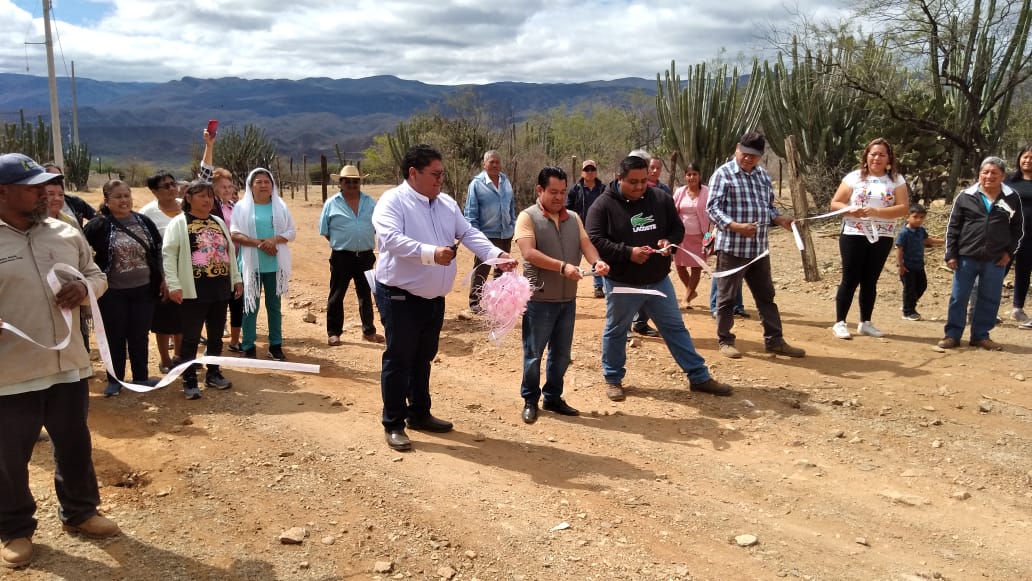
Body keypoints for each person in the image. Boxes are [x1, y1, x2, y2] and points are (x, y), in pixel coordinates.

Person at [0, 153, 119, 570]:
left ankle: (81, 512)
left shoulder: (64, 232)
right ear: (3, 192)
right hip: (10, 374)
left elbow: (97, 273)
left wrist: (85, 289)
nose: (45, 193)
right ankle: (14, 529)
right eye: (32, 187)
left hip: (68, 365)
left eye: (45, 186)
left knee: (74, 443)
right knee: (9, 456)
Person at [372, 144, 515, 451]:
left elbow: (468, 233)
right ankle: (394, 423)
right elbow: (391, 240)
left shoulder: (446, 203)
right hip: (399, 294)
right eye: (435, 174)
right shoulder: (392, 202)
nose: (440, 180)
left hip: (433, 298)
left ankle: (419, 413)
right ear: (414, 173)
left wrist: (495, 255)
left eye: (442, 175)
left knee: (423, 357)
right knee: (399, 358)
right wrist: (430, 254)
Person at [586, 155, 731, 401]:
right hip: (622, 283)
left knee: (675, 328)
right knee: (617, 330)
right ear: (619, 178)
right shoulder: (603, 206)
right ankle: (613, 379)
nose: (639, 186)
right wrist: (627, 253)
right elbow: (595, 239)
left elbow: (677, 228)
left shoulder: (660, 198)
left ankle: (698, 376)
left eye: (643, 181)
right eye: (633, 182)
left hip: (658, 280)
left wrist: (670, 243)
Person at [516, 166, 610, 424]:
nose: (559, 197)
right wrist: (562, 266)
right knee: (534, 353)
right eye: (553, 192)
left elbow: (586, 245)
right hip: (539, 301)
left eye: (563, 192)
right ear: (540, 190)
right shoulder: (528, 217)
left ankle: (553, 397)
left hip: (568, 301)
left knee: (561, 354)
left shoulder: (574, 218)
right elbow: (529, 253)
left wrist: (596, 263)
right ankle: (529, 399)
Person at [706, 132, 806, 359]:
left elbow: (768, 208)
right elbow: (712, 209)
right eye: (746, 154)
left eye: (754, 156)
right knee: (726, 297)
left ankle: (775, 340)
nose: (749, 159)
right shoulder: (723, 174)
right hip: (732, 248)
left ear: (760, 157)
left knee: (766, 296)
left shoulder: (762, 176)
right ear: (737, 149)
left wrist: (780, 220)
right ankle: (725, 340)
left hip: (759, 249)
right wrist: (736, 226)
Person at [82, 180, 163, 396]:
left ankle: (140, 378)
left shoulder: (144, 222)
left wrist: (162, 278)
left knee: (139, 335)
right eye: (118, 197)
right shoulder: (97, 226)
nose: (124, 200)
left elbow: (157, 251)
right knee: (114, 336)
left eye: (126, 195)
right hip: (112, 293)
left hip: (144, 290)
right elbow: (82, 254)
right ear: (107, 201)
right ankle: (115, 380)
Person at [164, 180, 242, 399]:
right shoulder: (179, 223)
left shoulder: (217, 221)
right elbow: (169, 255)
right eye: (201, 196)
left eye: (210, 196)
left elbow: (229, 254)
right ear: (189, 198)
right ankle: (189, 379)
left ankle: (213, 373)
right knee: (190, 338)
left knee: (216, 336)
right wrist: (174, 284)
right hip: (193, 290)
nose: (208, 200)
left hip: (219, 289)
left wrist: (236, 279)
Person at [937, 157, 1023, 351]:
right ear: (979, 174)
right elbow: (953, 227)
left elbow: (1017, 229)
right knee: (959, 297)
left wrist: (1009, 253)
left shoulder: (1011, 197)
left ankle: (981, 335)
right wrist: (950, 253)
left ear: (1002, 176)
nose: (989, 176)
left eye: (994, 173)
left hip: (995, 259)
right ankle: (952, 335)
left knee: (990, 297)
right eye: (985, 172)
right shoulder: (966, 196)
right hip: (966, 256)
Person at [828, 138, 910, 339]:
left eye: (882, 154)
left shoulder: (897, 180)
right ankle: (840, 322)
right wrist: (850, 209)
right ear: (866, 157)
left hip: (882, 235)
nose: (877, 158)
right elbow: (835, 203)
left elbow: (903, 208)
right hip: (854, 234)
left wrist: (877, 212)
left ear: (889, 158)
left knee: (870, 280)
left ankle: (865, 322)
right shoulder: (854, 178)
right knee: (850, 278)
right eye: (873, 154)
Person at [231, 168, 296, 361]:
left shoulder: (281, 207)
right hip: (252, 266)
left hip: (275, 265)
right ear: (250, 186)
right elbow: (234, 233)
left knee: (274, 306)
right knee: (250, 306)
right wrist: (260, 243)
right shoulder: (241, 208)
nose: (263, 185)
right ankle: (248, 345)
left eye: (267, 181)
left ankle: (275, 345)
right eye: (258, 182)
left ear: (272, 185)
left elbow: (291, 232)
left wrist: (273, 240)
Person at [320, 165, 383, 346]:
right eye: (347, 181)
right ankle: (334, 332)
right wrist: (343, 243)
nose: (352, 184)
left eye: (355, 181)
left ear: (360, 183)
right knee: (337, 294)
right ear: (340, 183)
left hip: (365, 256)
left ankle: (368, 331)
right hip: (342, 256)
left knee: (365, 293)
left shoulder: (370, 202)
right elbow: (325, 231)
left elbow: (379, 225)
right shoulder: (331, 203)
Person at [198, 127, 243, 351]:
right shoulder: (210, 204)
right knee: (212, 304)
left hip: (233, 262)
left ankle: (230, 340)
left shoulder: (235, 206)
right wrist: (210, 146)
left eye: (230, 186)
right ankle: (207, 343)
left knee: (232, 301)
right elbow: (205, 174)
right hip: (211, 262)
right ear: (213, 189)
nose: (227, 189)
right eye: (223, 186)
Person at [463, 150, 516, 316]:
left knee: (502, 270)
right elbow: (470, 212)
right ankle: (475, 302)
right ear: (484, 164)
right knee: (482, 269)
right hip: (486, 234)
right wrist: (476, 236)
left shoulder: (505, 181)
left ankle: (498, 302)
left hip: (504, 232)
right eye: (491, 162)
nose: (495, 165)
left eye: (497, 162)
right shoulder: (477, 184)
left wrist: (512, 224)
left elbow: (511, 206)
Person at [140, 170, 183, 373]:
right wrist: (163, 276)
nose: (172, 188)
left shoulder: (187, 206)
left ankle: (181, 357)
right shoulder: (147, 214)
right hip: (162, 274)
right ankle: (165, 360)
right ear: (154, 191)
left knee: (185, 316)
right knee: (164, 318)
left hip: (188, 272)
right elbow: (149, 248)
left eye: (173, 183)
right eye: (165, 186)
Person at [566, 159, 606, 298]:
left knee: (597, 257)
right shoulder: (575, 189)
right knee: (573, 256)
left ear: (596, 172)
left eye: (592, 169)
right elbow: (567, 208)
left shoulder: (603, 189)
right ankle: (568, 283)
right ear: (582, 172)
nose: (589, 172)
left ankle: (598, 286)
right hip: (578, 227)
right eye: (586, 170)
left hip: (597, 228)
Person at [895, 204, 944, 321]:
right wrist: (900, 265)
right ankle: (908, 312)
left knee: (922, 285)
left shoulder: (921, 230)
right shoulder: (904, 233)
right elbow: (899, 249)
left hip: (919, 265)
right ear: (907, 217)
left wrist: (945, 241)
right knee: (909, 288)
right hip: (907, 266)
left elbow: (928, 240)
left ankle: (908, 304)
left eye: (922, 217)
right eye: (915, 217)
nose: (918, 220)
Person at [672, 163, 709, 309]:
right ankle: (691, 290)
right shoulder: (680, 192)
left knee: (696, 267)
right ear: (685, 176)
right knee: (679, 266)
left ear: (699, 176)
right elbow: (673, 210)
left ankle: (686, 298)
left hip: (701, 236)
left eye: (694, 174)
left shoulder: (707, 192)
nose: (691, 177)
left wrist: (710, 236)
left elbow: (712, 212)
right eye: (689, 174)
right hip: (681, 236)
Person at [1005, 145, 1032, 326]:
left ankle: (1018, 309)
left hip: (1031, 235)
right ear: (1019, 158)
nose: (1028, 160)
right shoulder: (1008, 180)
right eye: (1025, 156)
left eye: (1031, 157)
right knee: (999, 269)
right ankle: (984, 308)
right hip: (1009, 233)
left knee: (1024, 271)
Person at [42, 163, 96, 227]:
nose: (57, 182)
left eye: (59, 178)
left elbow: (96, 217)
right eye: (52, 178)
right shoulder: (34, 218)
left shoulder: (74, 202)